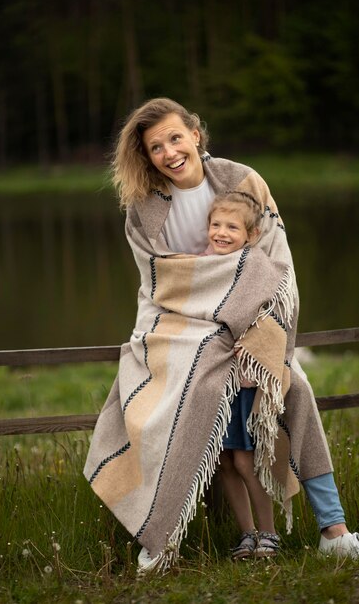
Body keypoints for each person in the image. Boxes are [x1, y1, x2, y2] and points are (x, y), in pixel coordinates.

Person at [84, 97, 359, 574]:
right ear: (146, 157)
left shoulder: (242, 181)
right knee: (181, 395)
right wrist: (222, 286)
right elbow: (161, 281)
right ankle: (162, 534)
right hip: (180, 324)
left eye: (175, 137)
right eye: (155, 147)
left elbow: (275, 264)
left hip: (254, 318)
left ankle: (333, 531)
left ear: (195, 134)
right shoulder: (143, 211)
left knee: (295, 389)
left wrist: (251, 316)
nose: (170, 152)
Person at [201, 191, 280, 559]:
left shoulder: (254, 266)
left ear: (249, 234)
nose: (221, 232)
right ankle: (246, 534)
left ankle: (269, 533)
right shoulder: (200, 265)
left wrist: (251, 342)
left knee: (246, 460)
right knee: (222, 461)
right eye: (215, 224)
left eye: (231, 227)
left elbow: (267, 319)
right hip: (211, 380)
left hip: (243, 380)